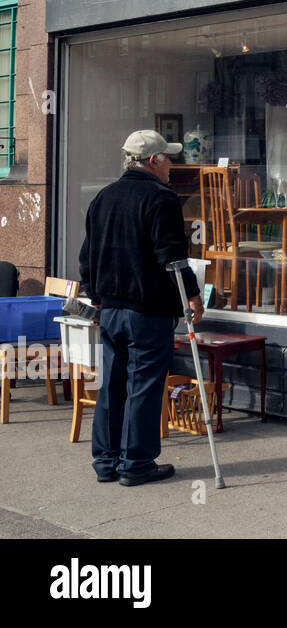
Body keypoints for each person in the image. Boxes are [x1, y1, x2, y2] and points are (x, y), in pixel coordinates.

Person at [79, 130, 201, 486]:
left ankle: (106, 461)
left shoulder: (104, 197)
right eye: (168, 158)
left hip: (112, 308)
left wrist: (94, 294)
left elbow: (87, 256)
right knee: (144, 386)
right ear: (153, 161)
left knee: (112, 384)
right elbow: (172, 257)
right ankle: (136, 463)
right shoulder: (160, 198)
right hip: (148, 309)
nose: (171, 166)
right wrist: (192, 295)